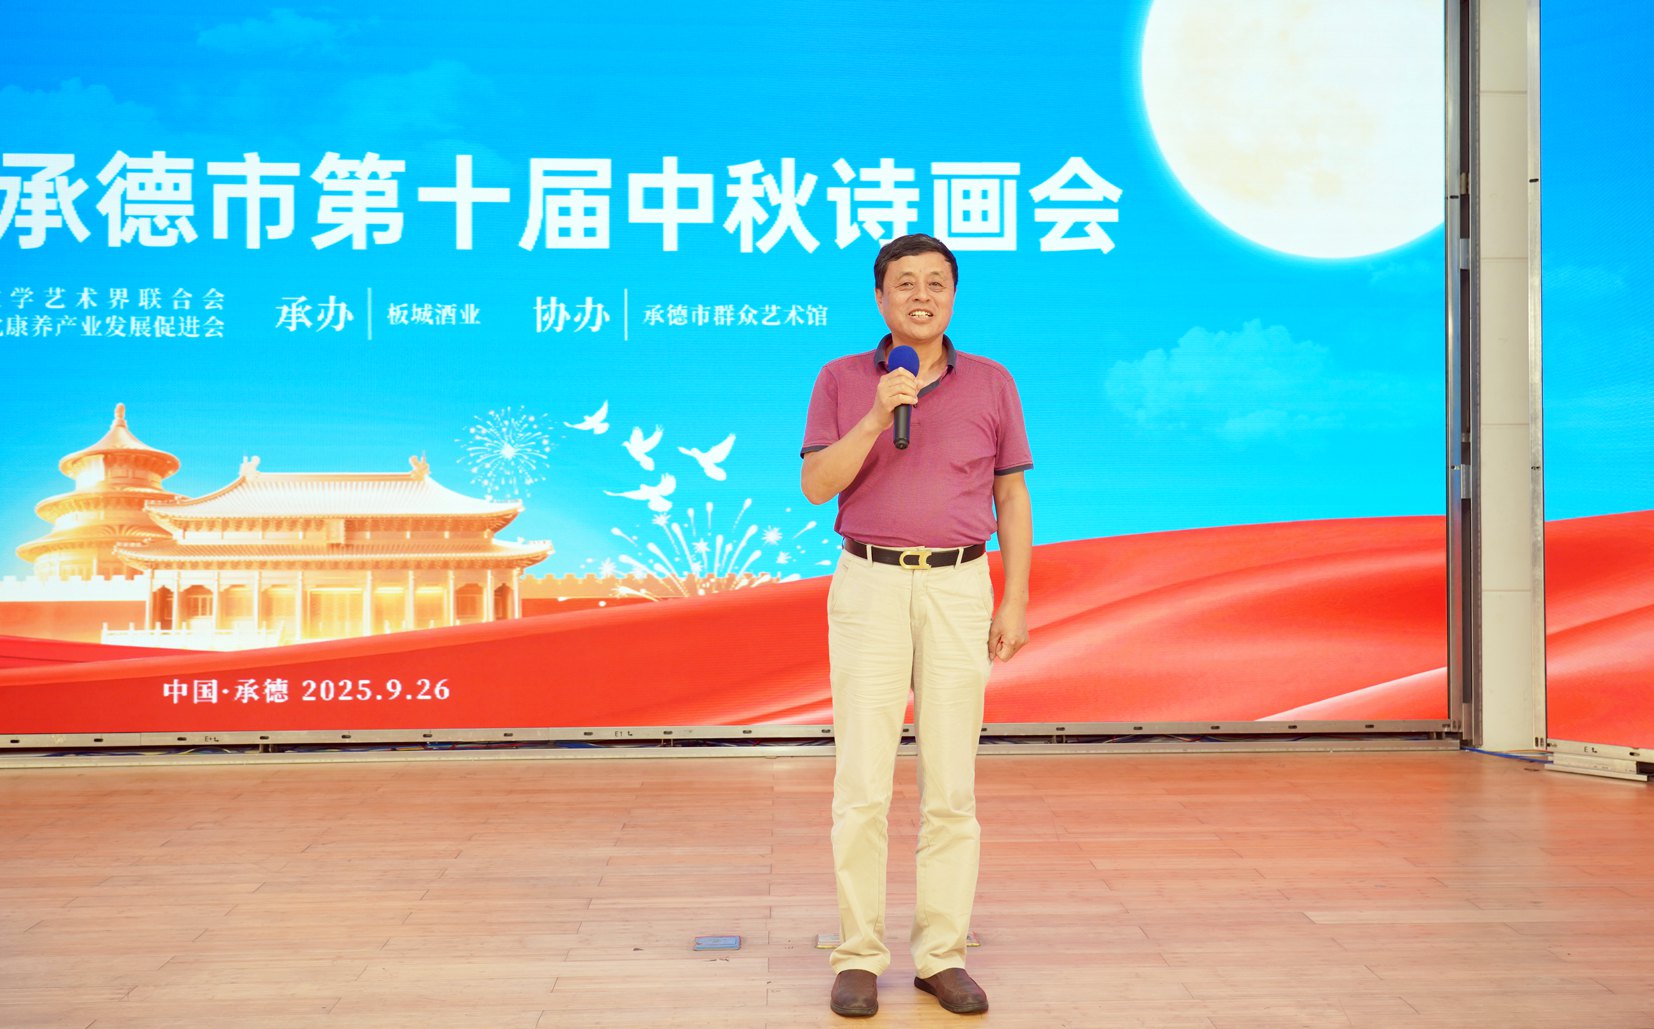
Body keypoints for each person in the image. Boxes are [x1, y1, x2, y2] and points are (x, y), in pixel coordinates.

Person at [800, 233, 1033, 1017]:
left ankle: (942, 954)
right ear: (881, 298)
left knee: (951, 783)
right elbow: (816, 484)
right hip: (868, 582)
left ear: (954, 295)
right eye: (906, 283)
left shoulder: (993, 381)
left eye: (937, 282)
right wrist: (875, 416)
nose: (922, 296)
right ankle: (859, 954)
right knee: (862, 782)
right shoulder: (842, 379)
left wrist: (1014, 598)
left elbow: (1011, 498)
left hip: (960, 584)